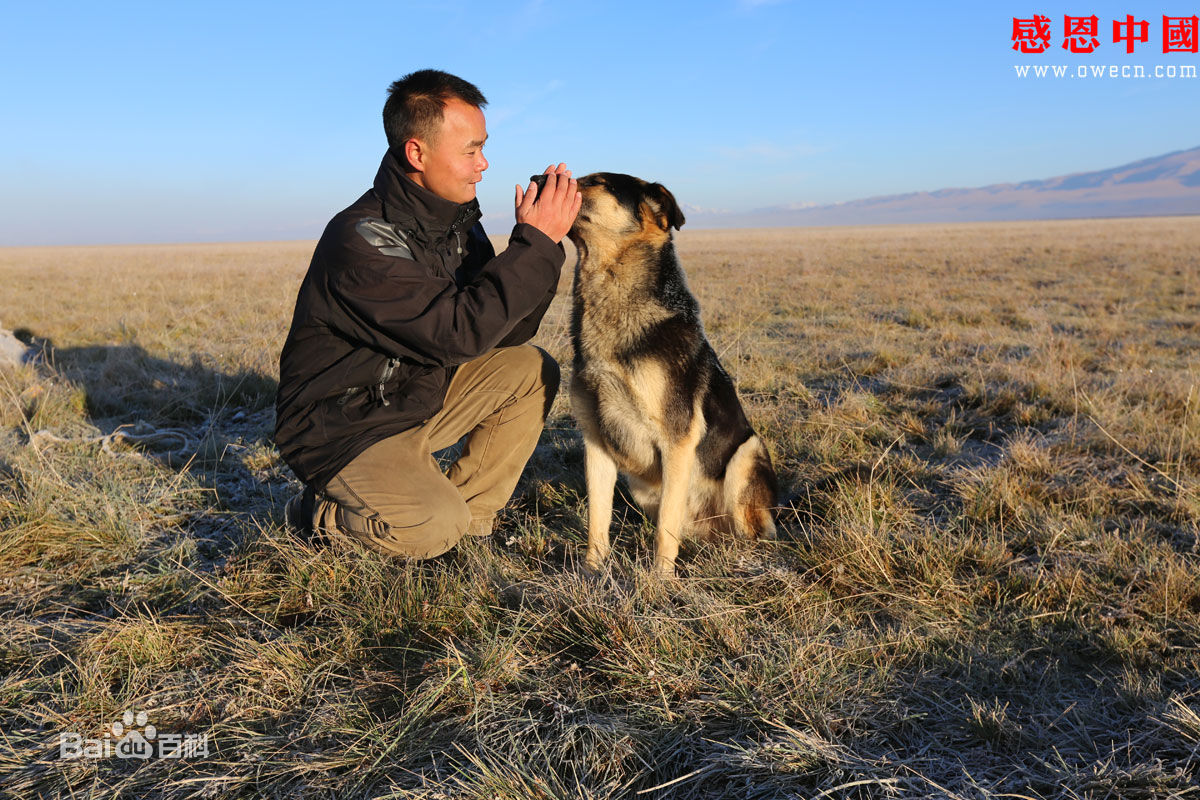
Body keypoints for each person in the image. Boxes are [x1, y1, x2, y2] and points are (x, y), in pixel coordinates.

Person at [275, 69, 581, 559]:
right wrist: (535, 244)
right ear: (416, 152)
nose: (484, 164)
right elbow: (456, 334)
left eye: (484, 147)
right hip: (347, 424)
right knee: (431, 527)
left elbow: (505, 332)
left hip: (415, 396)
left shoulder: (454, 222)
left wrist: (540, 249)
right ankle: (319, 515)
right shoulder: (362, 239)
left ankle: (471, 522)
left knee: (530, 368)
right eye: (470, 150)